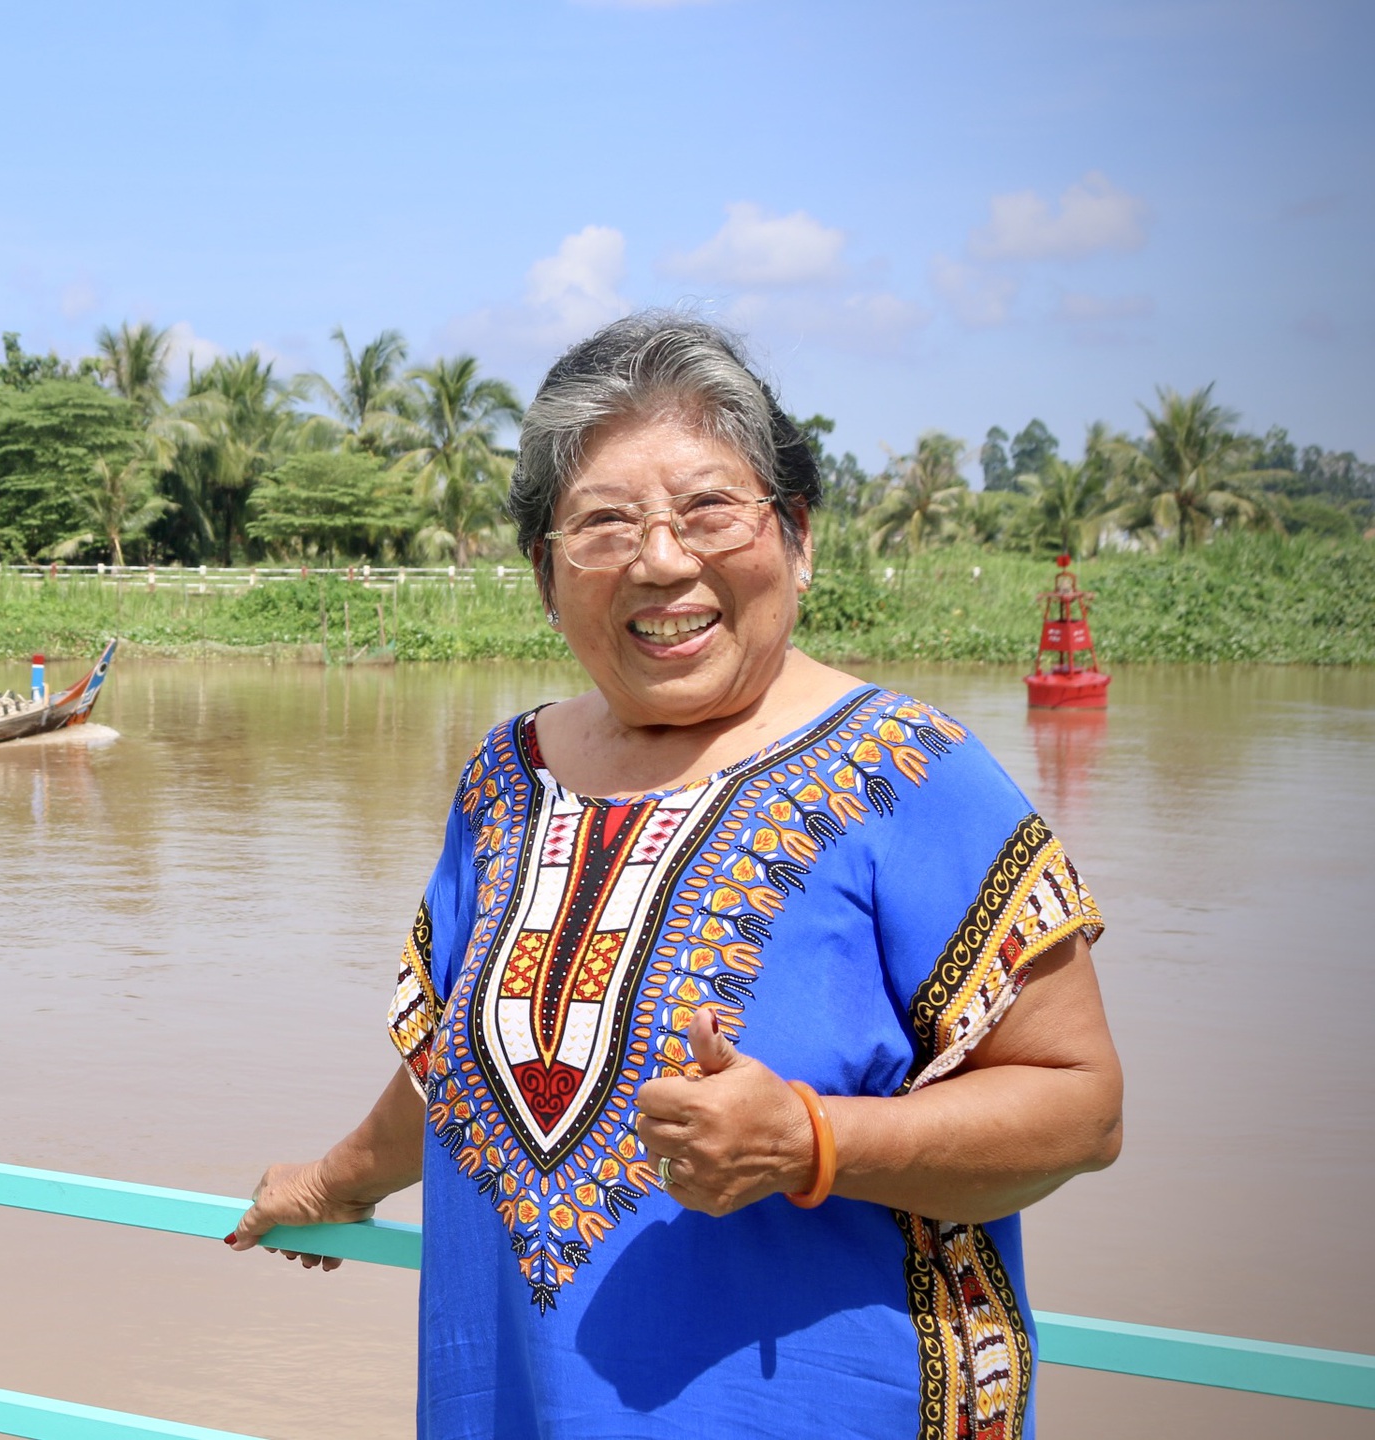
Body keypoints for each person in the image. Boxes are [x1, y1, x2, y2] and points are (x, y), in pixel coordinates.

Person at [230, 313, 1123, 1438]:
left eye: (706, 509)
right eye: (603, 525)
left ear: (794, 535)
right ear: (547, 577)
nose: (660, 560)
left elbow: (1082, 1110)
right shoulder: (505, 785)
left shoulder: (913, 774)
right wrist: (332, 1184)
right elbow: (466, 1068)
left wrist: (812, 1140)